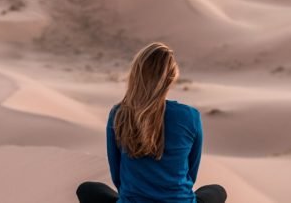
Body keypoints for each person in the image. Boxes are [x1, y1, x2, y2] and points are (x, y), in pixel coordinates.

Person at [76, 42, 228, 203]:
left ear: (135, 74)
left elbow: (117, 175)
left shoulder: (119, 114)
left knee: (88, 189)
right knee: (217, 191)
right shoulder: (190, 116)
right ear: (171, 77)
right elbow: (191, 173)